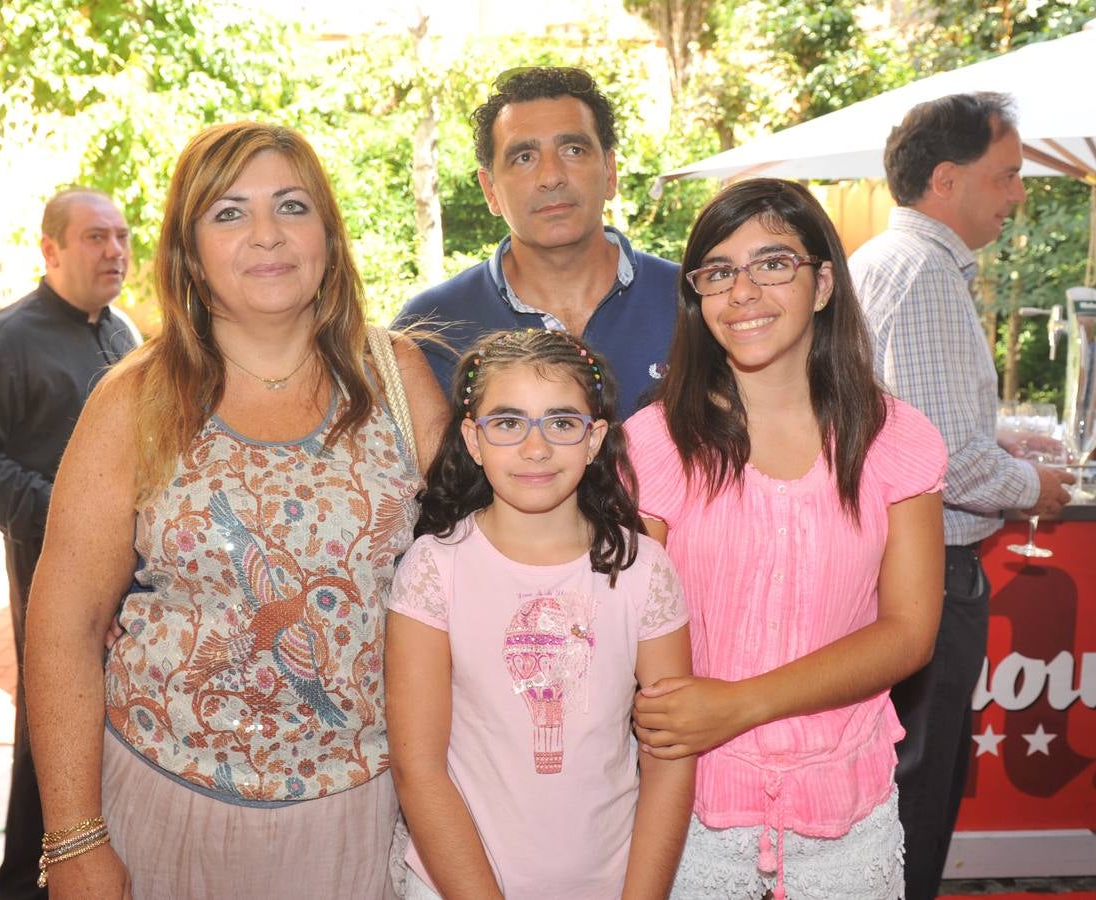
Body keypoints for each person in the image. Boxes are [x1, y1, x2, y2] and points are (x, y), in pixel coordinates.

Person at [23, 122, 446, 899]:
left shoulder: (398, 378)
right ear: (190, 251)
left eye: (291, 206)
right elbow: (64, 621)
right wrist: (74, 839)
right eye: (228, 213)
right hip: (161, 799)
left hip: (366, 810)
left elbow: (479, 578)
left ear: (327, 230)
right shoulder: (136, 398)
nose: (265, 236)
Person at [624, 178, 947, 900]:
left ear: (823, 283)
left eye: (772, 263)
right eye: (718, 271)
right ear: (697, 296)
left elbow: (907, 634)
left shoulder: (897, 440)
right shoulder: (652, 446)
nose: (742, 291)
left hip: (847, 803)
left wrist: (739, 703)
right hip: (689, 806)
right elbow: (626, 633)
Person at [847, 92, 1075, 900]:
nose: (1018, 195)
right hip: (926, 571)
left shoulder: (892, 263)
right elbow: (940, 460)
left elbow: (910, 429)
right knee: (918, 787)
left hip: (900, 567)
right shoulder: (923, 273)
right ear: (945, 180)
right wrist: (1034, 484)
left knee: (905, 782)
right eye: (1006, 175)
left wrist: (1003, 454)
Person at [386, 329, 694, 899]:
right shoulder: (436, 568)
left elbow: (670, 761)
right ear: (473, 440)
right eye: (508, 423)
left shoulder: (644, 570)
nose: (536, 448)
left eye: (561, 422)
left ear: (595, 438)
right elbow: (418, 769)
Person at [0, 187, 135, 899]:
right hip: (50, 558)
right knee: (51, 725)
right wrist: (68, 519)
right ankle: (23, 882)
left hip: (129, 567)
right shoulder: (4, 339)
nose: (114, 251)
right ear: (51, 250)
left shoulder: (120, 331)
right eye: (94, 237)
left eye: (119, 236)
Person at [391, 66, 679, 420]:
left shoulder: (693, 303)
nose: (551, 177)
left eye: (573, 150)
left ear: (610, 172)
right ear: (490, 190)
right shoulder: (430, 330)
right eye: (524, 157)